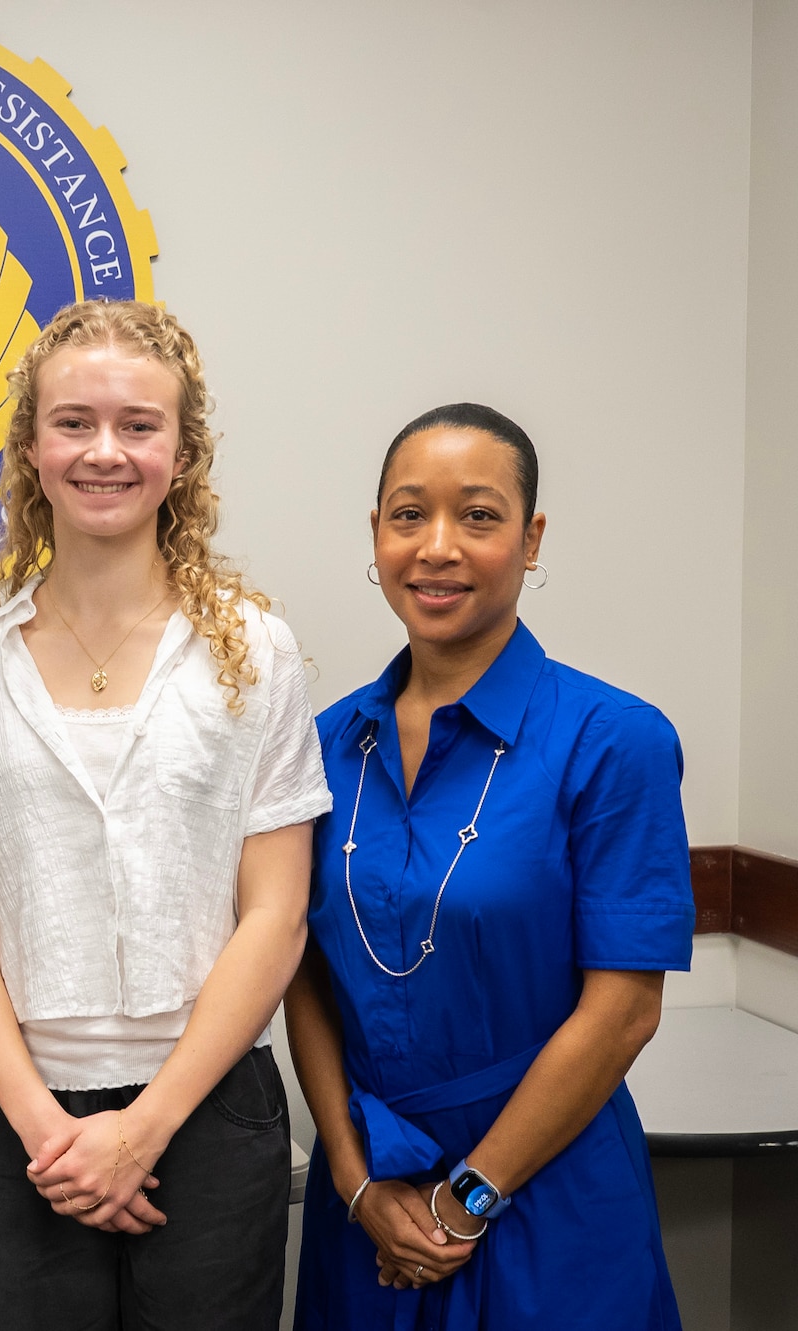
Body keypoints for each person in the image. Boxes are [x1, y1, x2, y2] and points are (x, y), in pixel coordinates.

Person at [0, 300, 330, 1330]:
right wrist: (46, 1130)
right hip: (22, 1118)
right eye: (73, 421)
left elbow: (275, 915)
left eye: (138, 425)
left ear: (182, 452)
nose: (105, 450)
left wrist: (142, 1128)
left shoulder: (253, 652)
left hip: (206, 1110)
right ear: (28, 446)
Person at [286, 403, 693, 1327]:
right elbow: (299, 971)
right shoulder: (322, 744)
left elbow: (625, 1008)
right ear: (377, 534)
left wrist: (465, 1199)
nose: (438, 547)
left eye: (478, 515)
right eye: (407, 515)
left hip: (546, 1190)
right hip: (372, 1204)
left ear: (530, 537)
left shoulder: (613, 741)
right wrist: (354, 1184)